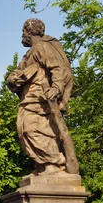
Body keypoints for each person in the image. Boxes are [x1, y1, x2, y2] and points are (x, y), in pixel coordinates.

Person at [7, 18, 74, 175]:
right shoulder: (28, 55)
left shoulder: (42, 48)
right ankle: (42, 165)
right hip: (28, 98)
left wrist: (56, 88)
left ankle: (54, 163)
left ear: (31, 32)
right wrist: (12, 79)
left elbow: (58, 68)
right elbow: (18, 73)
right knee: (23, 130)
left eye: (24, 32)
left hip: (40, 98)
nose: (22, 35)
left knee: (33, 129)